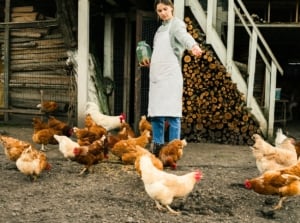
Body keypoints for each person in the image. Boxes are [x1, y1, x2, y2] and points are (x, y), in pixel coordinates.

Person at [140, 0, 203, 156]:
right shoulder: (159, 30)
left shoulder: (176, 25)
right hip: (157, 77)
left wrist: (193, 46)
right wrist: (151, 62)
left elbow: (184, 36)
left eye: (165, 9)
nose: (162, 13)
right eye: (159, 10)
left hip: (170, 76)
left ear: (172, 8)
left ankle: (174, 149)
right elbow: (158, 52)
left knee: (173, 114)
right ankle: (158, 148)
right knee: (156, 115)